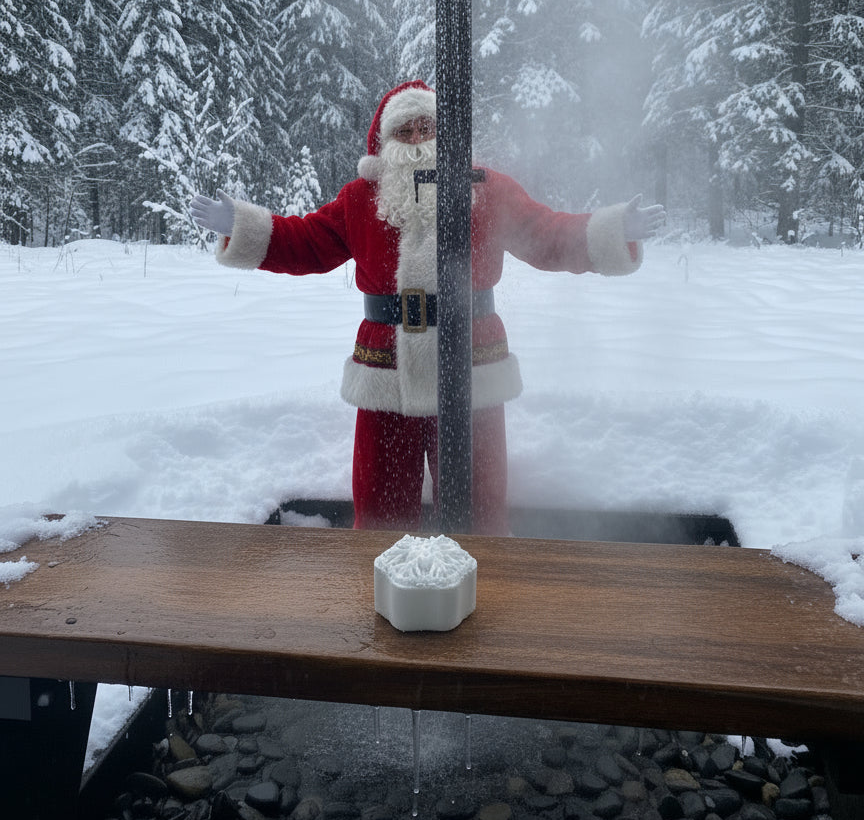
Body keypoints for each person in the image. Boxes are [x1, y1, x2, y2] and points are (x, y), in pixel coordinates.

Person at [190, 80, 664, 533]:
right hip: (385, 367)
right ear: (383, 141)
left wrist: (611, 232)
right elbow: (308, 242)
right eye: (405, 130)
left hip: (471, 360)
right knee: (381, 503)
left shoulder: (486, 189)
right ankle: (382, 590)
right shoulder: (361, 199)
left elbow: (546, 234)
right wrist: (245, 227)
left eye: (427, 128)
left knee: (478, 503)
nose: (417, 140)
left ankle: (486, 589)